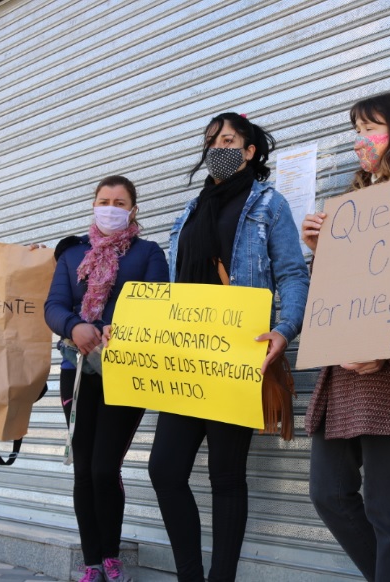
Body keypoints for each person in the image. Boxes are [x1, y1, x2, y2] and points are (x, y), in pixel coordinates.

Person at [146, 112, 310, 582]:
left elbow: (294, 273)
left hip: (238, 354)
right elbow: (171, 286)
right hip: (186, 359)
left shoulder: (268, 204)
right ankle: (190, 575)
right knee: (165, 470)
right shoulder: (190, 212)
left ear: (251, 151)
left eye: (230, 139)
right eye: (213, 139)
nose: (219, 145)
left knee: (226, 475)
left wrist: (285, 328)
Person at [300, 93, 390, 582]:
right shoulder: (351, 202)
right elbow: (335, 296)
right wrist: (320, 250)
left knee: (388, 505)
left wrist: (388, 355)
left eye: (370, 127)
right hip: (343, 372)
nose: (361, 140)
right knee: (329, 494)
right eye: (356, 129)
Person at [45, 175, 168, 582]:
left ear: (133, 209)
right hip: (75, 372)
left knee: (103, 467)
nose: (110, 207)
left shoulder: (148, 252)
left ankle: (112, 557)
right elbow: (54, 305)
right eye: (104, 200)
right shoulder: (72, 255)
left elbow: (156, 299)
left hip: (125, 371)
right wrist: (73, 326)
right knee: (84, 469)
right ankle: (91, 561)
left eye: (119, 201)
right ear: (93, 205)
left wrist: (122, 326)